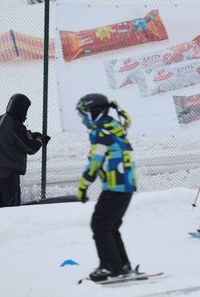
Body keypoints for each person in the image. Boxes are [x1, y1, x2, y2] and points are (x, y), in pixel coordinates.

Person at [75, 93, 137, 282]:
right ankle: (121, 264)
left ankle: (111, 267)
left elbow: (95, 162)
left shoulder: (100, 131)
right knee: (110, 226)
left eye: (84, 115)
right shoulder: (114, 125)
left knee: (100, 225)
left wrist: (83, 186)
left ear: (94, 113)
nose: (83, 120)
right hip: (126, 185)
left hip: (115, 186)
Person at [0, 93, 50, 208]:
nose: (26, 115)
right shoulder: (14, 124)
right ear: (20, 109)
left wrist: (31, 135)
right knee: (12, 210)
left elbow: (12, 138)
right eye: (25, 110)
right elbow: (30, 148)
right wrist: (40, 141)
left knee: (0, 210)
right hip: (9, 177)